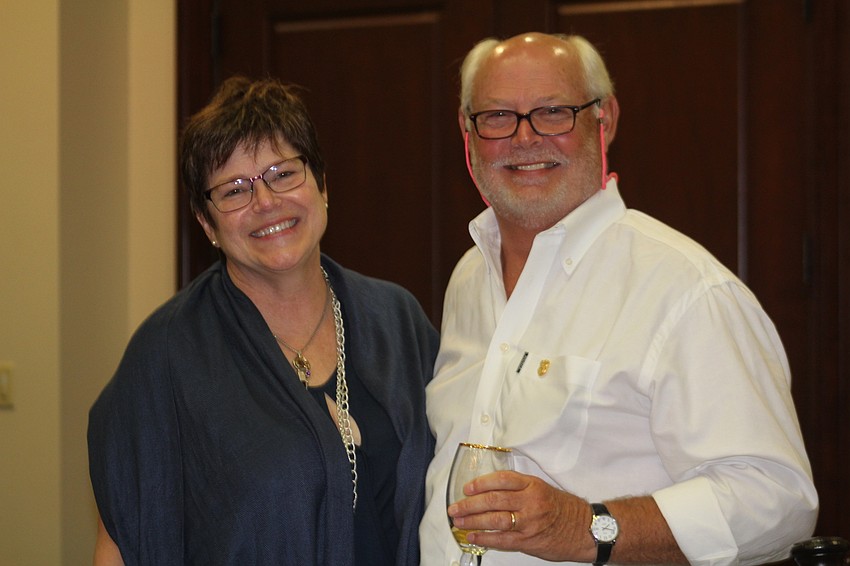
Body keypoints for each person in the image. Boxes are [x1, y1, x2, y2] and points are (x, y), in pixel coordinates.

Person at [420, 32, 818, 566]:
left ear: (603, 120)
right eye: (497, 117)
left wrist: (586, 527)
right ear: (467, 133)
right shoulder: (469, 278)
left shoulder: (687, 290)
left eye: (554, 111)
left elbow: (778, 502)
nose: (524, 137)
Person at [88, 76, 439, 565]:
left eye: (283, 173)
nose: (266, 203)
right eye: (233, 190)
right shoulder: (166, 356)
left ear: (321, 184)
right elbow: (122, 541)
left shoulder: (398, 322)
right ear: (207, 224)